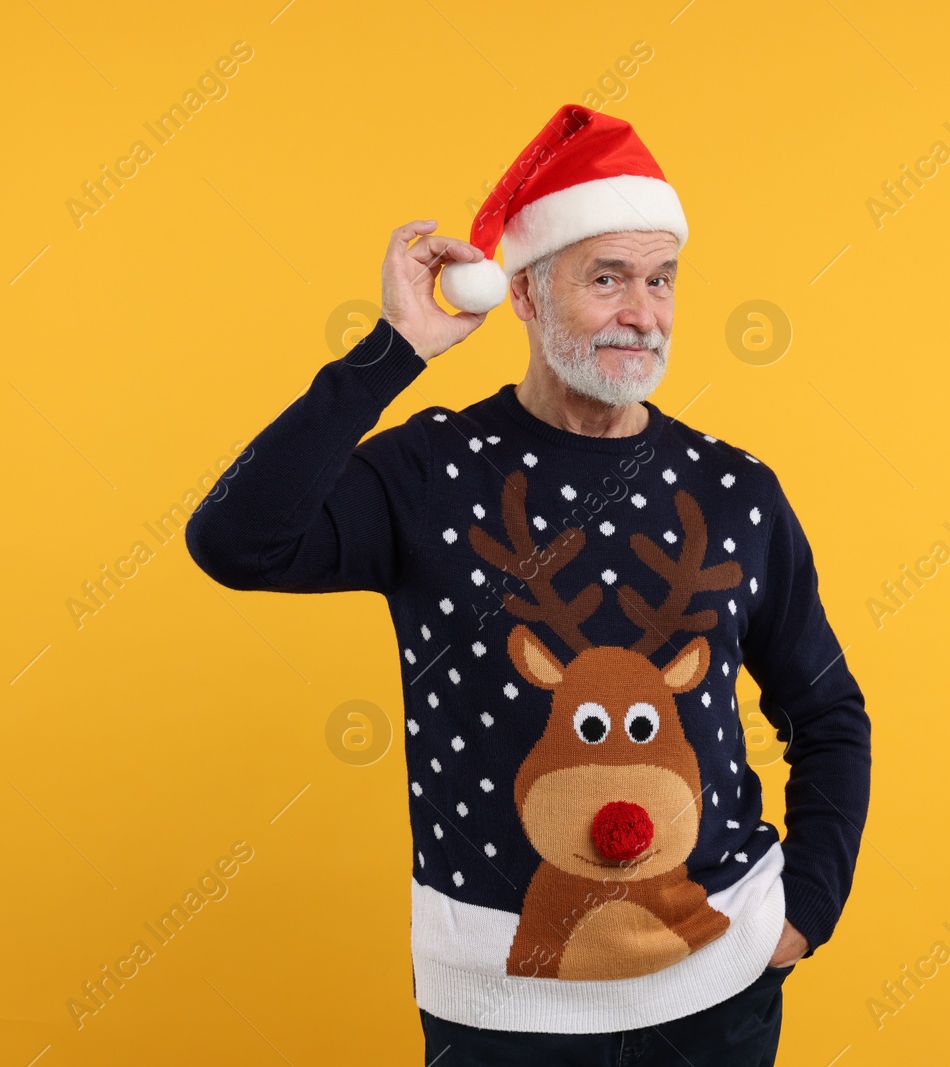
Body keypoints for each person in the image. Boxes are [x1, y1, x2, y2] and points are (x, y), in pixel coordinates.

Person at [185, 103, 871, 1066]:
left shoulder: (736, 490)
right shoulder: (429, 472)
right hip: (503, 1008)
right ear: (523, 294)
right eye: (606, 279)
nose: (643, 311)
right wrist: (396, 351)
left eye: (660, 279)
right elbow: (235, 540)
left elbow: (828, 708)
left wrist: (806, 910)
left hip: (718, 990)